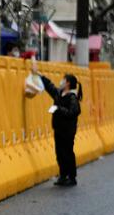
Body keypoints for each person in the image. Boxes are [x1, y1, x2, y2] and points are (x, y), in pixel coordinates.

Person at [31, 59, 82, 187]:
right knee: (59, 152)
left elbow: (73, 112)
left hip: (68, 131)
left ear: (68, 83)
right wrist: (38, 74)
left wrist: (59, 109)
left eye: (63, 80)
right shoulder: (59, 94)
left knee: (68, 152)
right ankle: (63, 175)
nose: (61, 81)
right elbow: (49, 86)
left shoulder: (72, 97)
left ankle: (72, 176)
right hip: (59, 129)